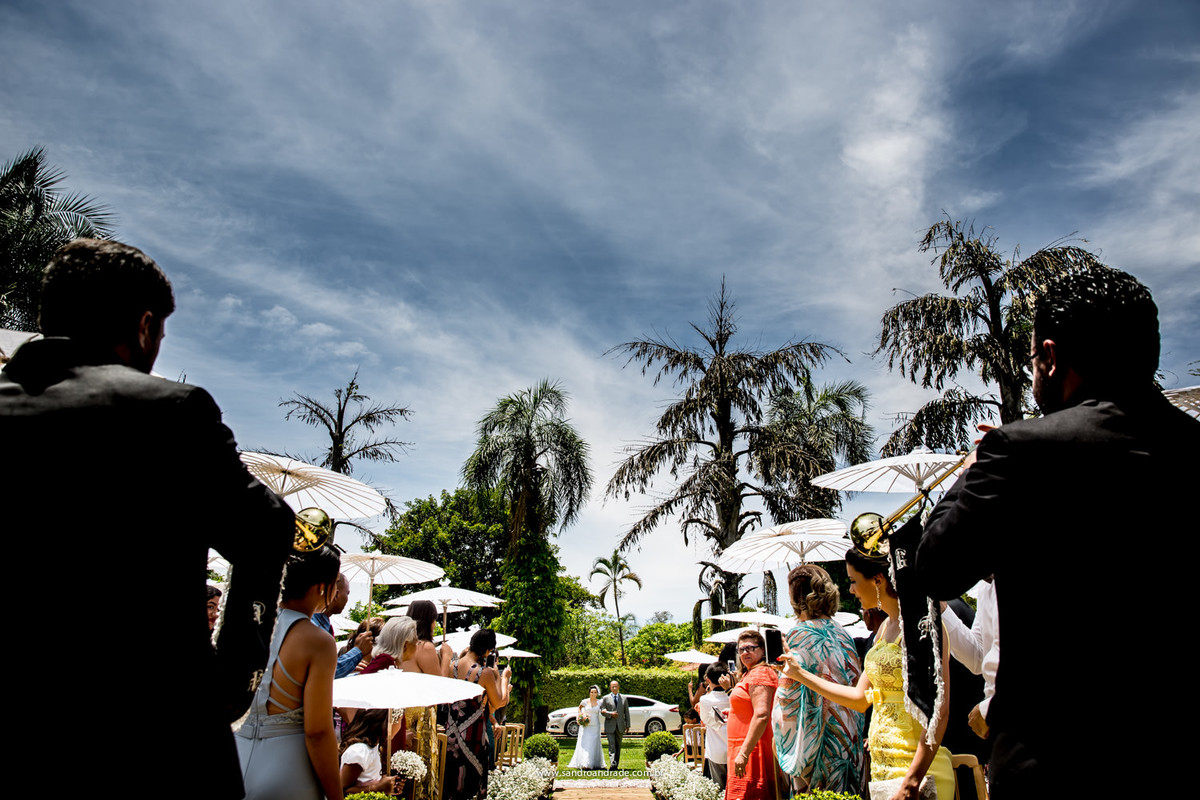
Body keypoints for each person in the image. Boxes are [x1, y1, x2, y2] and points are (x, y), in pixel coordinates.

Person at [0, 239, 294, 798]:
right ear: (143, 326)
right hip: (146, 739)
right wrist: (232, 680)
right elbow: (269, 526)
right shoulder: (172, 414)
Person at [914, 264, 1200, 798]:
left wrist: (976, 467)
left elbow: (935, 567)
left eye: (1032, 362)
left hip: (1055, 764)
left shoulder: (1020, 453)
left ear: (1051, 354)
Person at [781, 548, 953, 800]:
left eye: (853, 581)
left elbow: (939, 711)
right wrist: (800, 674)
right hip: (883, 769)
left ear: (878, 580)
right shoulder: (884, 629)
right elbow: (859, 699)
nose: (850, 590)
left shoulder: (922, 627)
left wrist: (912, 781)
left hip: (919, 771)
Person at [236, 546, 345, 800]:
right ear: (322, 586)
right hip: (289, 771)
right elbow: (317, 732)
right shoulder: (317, 641)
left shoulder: (249, 626)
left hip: (237, 758)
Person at [773, 564, 865, 795]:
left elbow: (788, 700)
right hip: (848, 736)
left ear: (795, 597)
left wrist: (782, 745)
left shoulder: (797, 635)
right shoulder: (843, 633)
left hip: (817, 743)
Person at [445, 628, 511, 799]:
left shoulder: (452, 666)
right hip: (473, 734)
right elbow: (498, 703)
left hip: (451, 732)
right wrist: (504, 679)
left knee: (452, 782)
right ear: (488, 650)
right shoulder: (484, 673)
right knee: (472, 784)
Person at [401, 600, 454, 800]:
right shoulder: (424, 647)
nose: (435, 624)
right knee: (420, 773)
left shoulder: (400, 644)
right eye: (434, 620)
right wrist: (446, 657)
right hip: (420, 716)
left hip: (399, 714)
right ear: (428, 620)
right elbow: (439, 688)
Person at [726, 629, 779, 800]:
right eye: (741, 649)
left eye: (750, 648)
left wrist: (743, 753)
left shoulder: (761, 673)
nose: (745, 652)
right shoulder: (750, 673)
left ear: (762, 650)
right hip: (744, 748)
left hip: (754, 751)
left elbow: (762, 715)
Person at [313, 574, 375, 678]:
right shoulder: (313, 627)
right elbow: (324, 672)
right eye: (347, 593)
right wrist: (358, 651)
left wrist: (348, 666)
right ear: (336, 594)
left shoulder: (323, 624)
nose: (347, 599)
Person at [339, 709, 397, 796]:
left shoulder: (374, 746)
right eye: (396, 721)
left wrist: (389, 784)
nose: (398, 726)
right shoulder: (359, 752)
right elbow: (341, 791)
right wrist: (377, 788)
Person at [697, 663, 731, 790]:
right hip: (735, 749)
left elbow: (705, 719)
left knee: (719, 789)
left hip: (716, 749)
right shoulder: (733, 696)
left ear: (708, 680)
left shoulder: (705, 700)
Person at [567, 685, 604, 770]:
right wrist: (581, 716)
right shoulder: (584, 702)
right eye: (592, 692)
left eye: (595, 692)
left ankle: (594, 762)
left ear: (597, 693)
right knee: (586, 743)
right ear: (589, 693)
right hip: (586, 725)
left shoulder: (600, 702)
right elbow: (579, 708)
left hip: (595, 725)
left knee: (594, 743)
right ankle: (585, 763)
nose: (593, 694)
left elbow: (602, 710)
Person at [599, 679, 631, 771]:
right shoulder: (605, 698)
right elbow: (602, 711)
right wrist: (610, 714)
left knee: (618, 746)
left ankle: (616, 764)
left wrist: (628, 725)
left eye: (615, 686)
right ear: (610, 688)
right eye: (612, 686)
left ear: (618, 687)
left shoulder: (624, 698)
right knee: (612, 745)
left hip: (620, 726)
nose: (614, 688)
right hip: (610, 725)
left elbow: (626, 712)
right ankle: (612, 764)